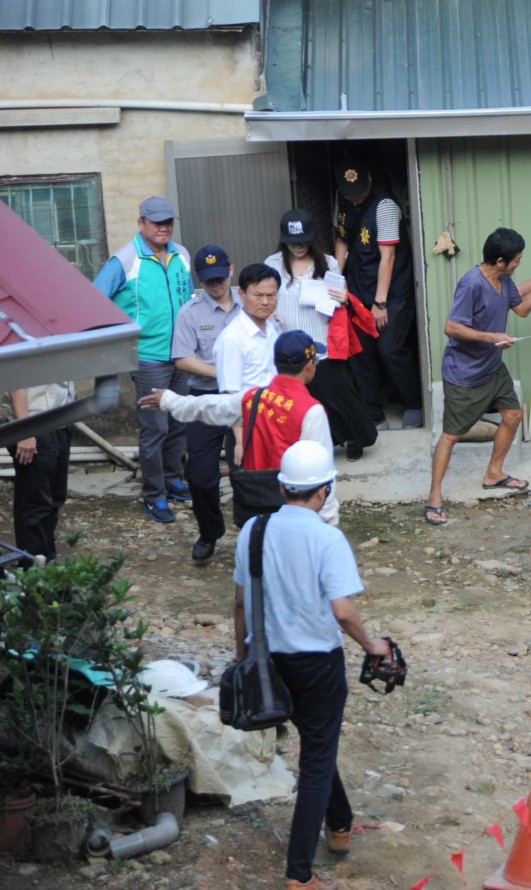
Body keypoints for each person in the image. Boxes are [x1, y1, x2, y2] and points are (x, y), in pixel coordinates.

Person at [230, 439, 391, 890]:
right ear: (324, 490)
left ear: (282, 487)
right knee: (317, 759)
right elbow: (342, 611)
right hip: (317, 663)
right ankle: (299, 874)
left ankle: (340, 826)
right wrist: (371, 644)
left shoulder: (253, 531)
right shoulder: (327, 538)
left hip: (269, 660)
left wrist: (242, 660)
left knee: (318, 745)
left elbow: (241, 602)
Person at [424, 228, 531, 525]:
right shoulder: (471, 284)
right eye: (517, 259)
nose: (518, 263)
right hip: (464, 373)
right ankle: (434, 496)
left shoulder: (503, 279)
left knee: (512, 415)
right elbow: (452, 327)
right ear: (500, 260)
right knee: (451, 435)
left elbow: (521, 308)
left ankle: (494, 473)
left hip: (492, 366)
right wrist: (491, 337)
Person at [142, 330, 341, 529]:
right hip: (294, 501)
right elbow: (322, 470)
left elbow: (210, 406)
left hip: (255, 497)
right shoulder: (311, 410)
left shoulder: (253, 398)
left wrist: (170, 400)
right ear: (309, 366)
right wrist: (329, 523)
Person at [93, 195, 193, 523]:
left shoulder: (182, 255)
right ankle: (154, 495)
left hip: (181, 355)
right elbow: (95, 299)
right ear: (141, 224)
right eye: (156, 222)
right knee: (155, 428)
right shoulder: (125, 260)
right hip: (148, 357)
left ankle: (173, 479)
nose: (163, 228)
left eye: (168, 222)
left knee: (178, 421)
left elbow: (188, 299)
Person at [266, 210, 378, 459]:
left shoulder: (328, 263)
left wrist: (344, 298)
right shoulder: (271, 264)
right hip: (288, 341)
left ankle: (353, 437)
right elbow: (266, 296)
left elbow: (343, 296)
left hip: (323, 341)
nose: (297, 247)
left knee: (337, 393)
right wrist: (269, 312)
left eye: (303, 241)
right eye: (292, 242)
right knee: (301, 398)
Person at [334, 168, 423, 430]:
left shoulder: (385, 206)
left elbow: (389, 257)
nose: (355, 199)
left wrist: (380, 303)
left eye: (359, 192)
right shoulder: (342, 200)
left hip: (391, 292)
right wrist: (336, 279)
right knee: (360, 351)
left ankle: (414, 403)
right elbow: (341, 240)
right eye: (349, 194)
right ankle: (373, 413)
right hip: (358, 289)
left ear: (369, 180)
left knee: (390, 349)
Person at [172, 245, 241, 562]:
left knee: (248, 469)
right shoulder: (190, 312)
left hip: (245, 399)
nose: (216, 285)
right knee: (200, 475)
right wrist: (223, 372)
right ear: (199, 279)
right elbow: (183, 360)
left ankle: (253, 531)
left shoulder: (252, 302)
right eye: (208, 280)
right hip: (206, 398)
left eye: (220, 277)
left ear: (231, 270)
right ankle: (209, 531)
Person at [4, 381, 74, 562]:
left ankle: (46, 563)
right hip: (34, 424)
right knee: (35, 503)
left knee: (54, 498)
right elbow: (16, 381)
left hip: (60, 422)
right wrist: (25, 431)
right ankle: (34, 572)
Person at [217, 264, 283, 394]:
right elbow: (230, 395)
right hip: (250, 411)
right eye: (258, 295)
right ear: (242, 294)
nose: (265, 302)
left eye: (271, 295)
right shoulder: (232, 338)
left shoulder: (272, 328)